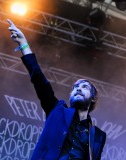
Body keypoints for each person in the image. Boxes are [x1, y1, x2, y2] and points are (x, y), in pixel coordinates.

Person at [7, 19, 106, 160]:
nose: (78, 89)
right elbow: (39, 80)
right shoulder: (57, 110)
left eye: (85, 87)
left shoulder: (97, 136)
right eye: (76, 87)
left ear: (93, 98)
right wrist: (24, 44)